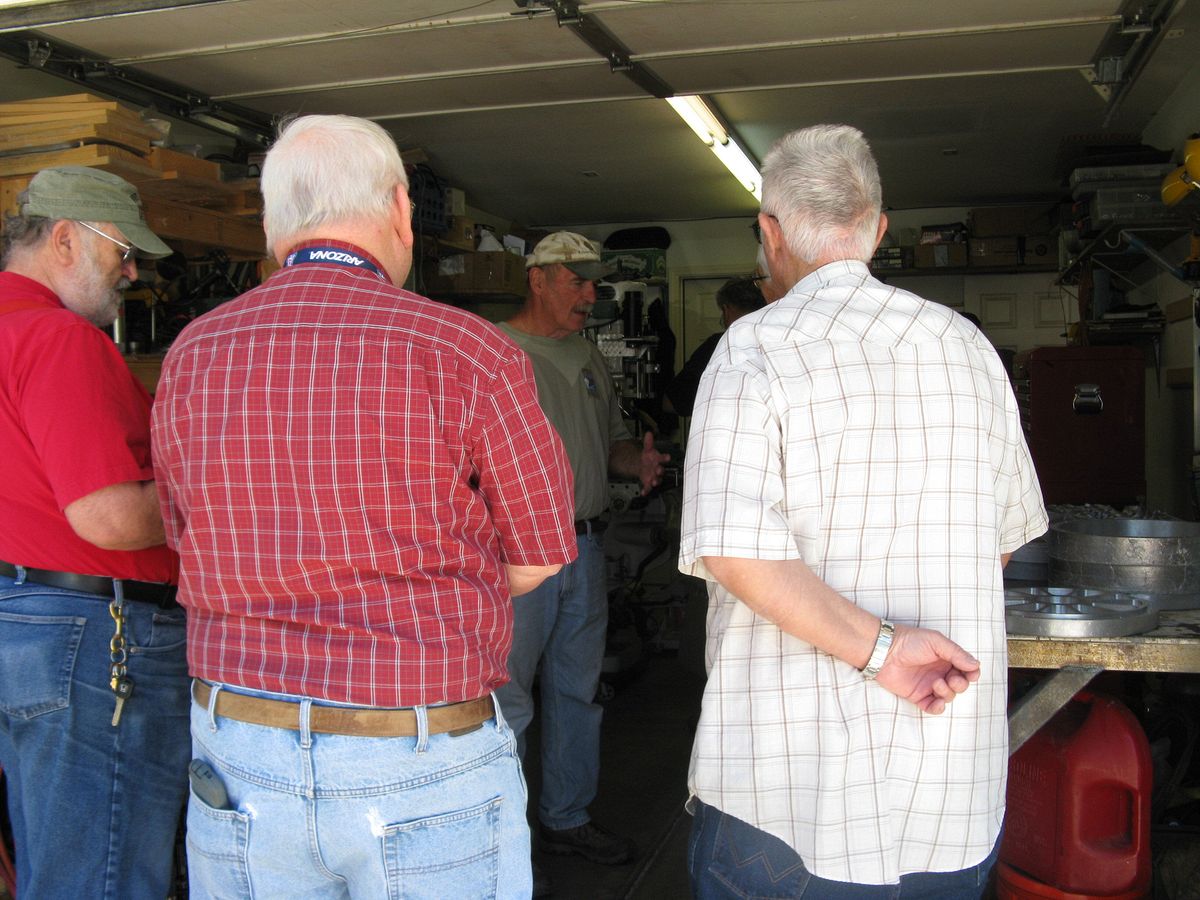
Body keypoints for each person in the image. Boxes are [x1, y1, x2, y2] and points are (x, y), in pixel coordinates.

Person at [150, 115, 577, 899]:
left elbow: (182, 535)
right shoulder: (468, 349)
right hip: (417, 746)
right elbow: (541, 550)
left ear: (274, 223)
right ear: (401, 211)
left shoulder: (192, 353)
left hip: (240, 748)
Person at [679, 124, 1048, 898]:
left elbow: (734, 550)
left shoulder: (751, 349)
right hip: (946, 783)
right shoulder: (967, 348)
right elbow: (1003, 540)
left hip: (786, 791)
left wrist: (881, 650)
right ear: (880, 230)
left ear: (770, 234)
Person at [0, 166, 189, 899]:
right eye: (123, 251)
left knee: (57, 868)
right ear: (65, 239)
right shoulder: (57, 338)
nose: (132, 272)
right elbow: (108, 517)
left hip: (25, 622)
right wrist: (225, 498)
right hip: (93, 639)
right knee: (102, 876)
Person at [494, 231, 669, 878]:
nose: (591, 294)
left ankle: (566, 818)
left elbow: (612, 443)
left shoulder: (590, 355)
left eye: (595, 282)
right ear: (537, 279)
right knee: (507, 700)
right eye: (578, 281)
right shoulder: (494, 352)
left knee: (577, 691)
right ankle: (504, 839)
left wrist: (635, 463)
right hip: (516, 555)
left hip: (586, 547)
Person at [663, 276, 764, 417]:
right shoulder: (778, 341)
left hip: (724, 426)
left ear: (726, 310)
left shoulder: (718, 346)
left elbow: (671, 403)